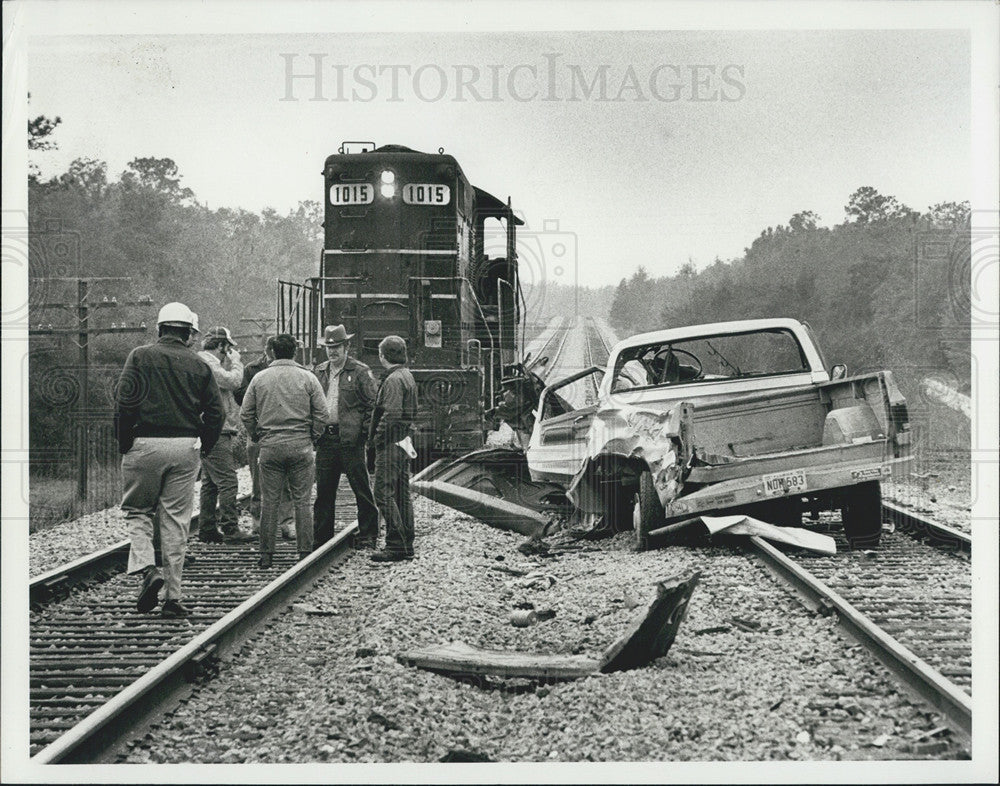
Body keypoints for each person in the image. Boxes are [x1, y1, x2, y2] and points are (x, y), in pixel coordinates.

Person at [115, 302, 224, 617]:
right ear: (189, 333)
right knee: (176, 521)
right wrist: (203, 444)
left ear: (160, 329)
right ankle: (173, 599)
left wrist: (126, 442)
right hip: (184, 446)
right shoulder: (200, 365)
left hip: (144, 443)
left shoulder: (139, 355)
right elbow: (217, 412)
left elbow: (124, 401)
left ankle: (149, 569)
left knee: (137, 511)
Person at [240, 334, 328, 568]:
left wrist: (258, 435)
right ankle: (304, 553)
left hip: (270, 447)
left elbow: (245, 414)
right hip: (301, 446)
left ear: (272, 352)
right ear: (295, 353)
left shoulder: (259, 378)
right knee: (302, 501)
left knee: (270, 500)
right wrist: (313, 436)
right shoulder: (308, 378)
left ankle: (266, 555)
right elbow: (322, 414)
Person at [312, 324, 380, 549]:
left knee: (361, 489)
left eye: (337, 347)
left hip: (351, 441)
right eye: (328, 347)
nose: (332, 351)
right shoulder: (319, 372)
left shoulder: (360, 372)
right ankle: (322, 539)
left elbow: (372, 406)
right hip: (326, 440)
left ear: (347, 347)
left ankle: (369, 534)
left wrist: (364, 436)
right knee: (324, 493)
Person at [196, 326, 253, 544]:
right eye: (228, 348)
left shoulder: (209, 363)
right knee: (228, 481)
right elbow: (233, 381)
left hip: (213, 429)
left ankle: (207, 528)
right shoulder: (208, 364)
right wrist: (237, 361)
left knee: (210, 483)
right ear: (221, 346)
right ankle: (230, 528)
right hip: (216, 430)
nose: (229, 352)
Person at [235, 336, 295, 540]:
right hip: (260, 431)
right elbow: (241, 397)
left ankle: (286, 522)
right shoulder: (252, 370)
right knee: (258, 482)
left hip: (277, 430)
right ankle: (259, 521)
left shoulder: (287, 371)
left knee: (285, 480)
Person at [368, 335, 418, 563]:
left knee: (382, 493)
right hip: (403, 441)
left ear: (382, 356)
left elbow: (391, 414)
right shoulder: (406, 376)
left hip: (390, 443)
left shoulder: (393, 380)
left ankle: (396, 544)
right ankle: (407, 543)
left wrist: (377, 439)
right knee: (401, 494)